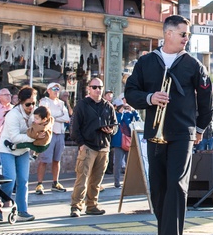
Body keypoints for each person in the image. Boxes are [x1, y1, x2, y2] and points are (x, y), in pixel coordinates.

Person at [125, 15, 213, 235]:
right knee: (158, 187)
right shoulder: (146, 62)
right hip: (155, 132)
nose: (187, 38)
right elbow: (131, 92)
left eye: (188, 35)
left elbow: (206, 99)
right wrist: (150, 97)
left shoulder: (194, 65)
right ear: (168, 34)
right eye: (183, 34)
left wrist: (200, 127)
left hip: (182, 133)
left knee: (176, 185)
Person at [69, 77, 116, 216]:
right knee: (82, 179)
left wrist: (111, 130)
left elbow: (115, 125)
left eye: (100, 87)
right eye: (94, 87)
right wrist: (81, 144)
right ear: (88, 89)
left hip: (103, 146)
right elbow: (74, 127)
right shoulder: (82, 105)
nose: (97, 90)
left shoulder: (108, 106)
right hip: (88, 145)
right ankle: (76, 206)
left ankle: (92, 205)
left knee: (96, 180)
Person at [0, 86, 39, 221]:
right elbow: (15, 137)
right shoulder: (13, 114)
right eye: (28, 104)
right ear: (21, 102)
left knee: (23, 180)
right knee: (10, 179)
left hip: (23, 150)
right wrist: (33, 138)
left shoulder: (34, 113)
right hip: (8, 149)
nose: (31, 106)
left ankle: (22, 210)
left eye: (34, 103)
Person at [34, 83, 70, 194]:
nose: (56, 91)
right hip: (49, 133)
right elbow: (47, 115)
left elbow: (67, 117)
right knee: (44, 159)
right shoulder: (44, 101)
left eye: (58, 89)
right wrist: (58, 116)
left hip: (60, 133)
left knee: (57, 159)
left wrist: (55, 116)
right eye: (54, 89)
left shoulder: (61, 103)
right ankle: (39, 183)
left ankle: (55, 182)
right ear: (48, 90)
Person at [111, 97, 139, 188]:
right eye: (120, 106)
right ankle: (117, 182)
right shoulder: (114, 114)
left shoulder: (128, 114)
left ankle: (129, 182)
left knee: (129, 163)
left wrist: (134, 111)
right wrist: (120, 112)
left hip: (128, 141)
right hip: (119, 142)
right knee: (118, 164)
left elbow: (138, 121)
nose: (123, 108)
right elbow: (117, 122)